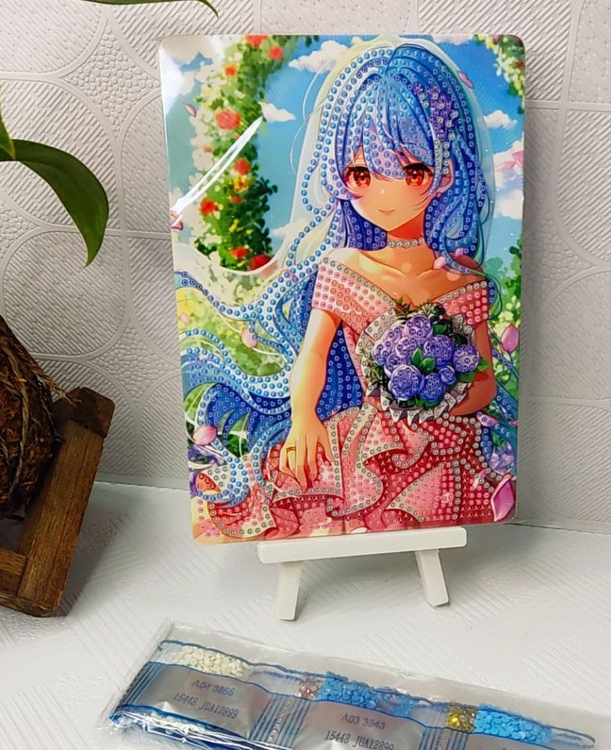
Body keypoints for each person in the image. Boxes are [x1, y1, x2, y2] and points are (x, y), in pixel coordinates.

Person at [181, 37, 518, 542]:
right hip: (362, 441)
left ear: (446, 173)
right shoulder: (343, 267)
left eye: (411, 171)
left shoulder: (464, 280)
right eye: (360, 173)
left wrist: (437, 401)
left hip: (447, 444)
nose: (383, 193)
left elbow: (485, 381)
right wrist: (303, 416)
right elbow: (313, 352)